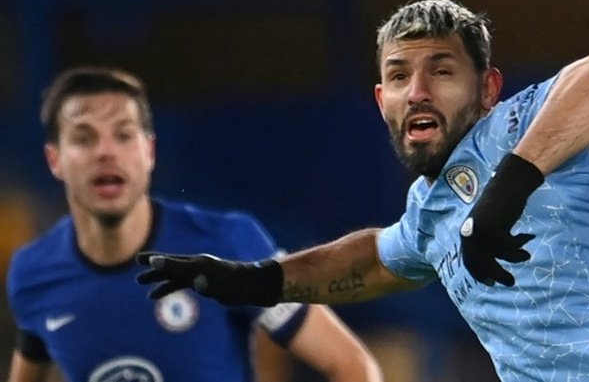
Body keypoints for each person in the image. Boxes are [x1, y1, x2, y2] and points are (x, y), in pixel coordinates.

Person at [137, 0, 589, 382]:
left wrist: (511, 186)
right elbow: (375, 259)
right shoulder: (428, 214)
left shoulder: (520, 125)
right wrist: (257, 280)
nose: (417, 90)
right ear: (380, 102)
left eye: (442, 71)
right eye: (399, 76)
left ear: (489, 88)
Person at [5, 66, 383, 382]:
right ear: (54, 160)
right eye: (85, 139)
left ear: (149, 151)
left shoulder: (226, 243)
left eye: (123, 135)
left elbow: (352, 366)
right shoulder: (33, 273)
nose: (106, 152)